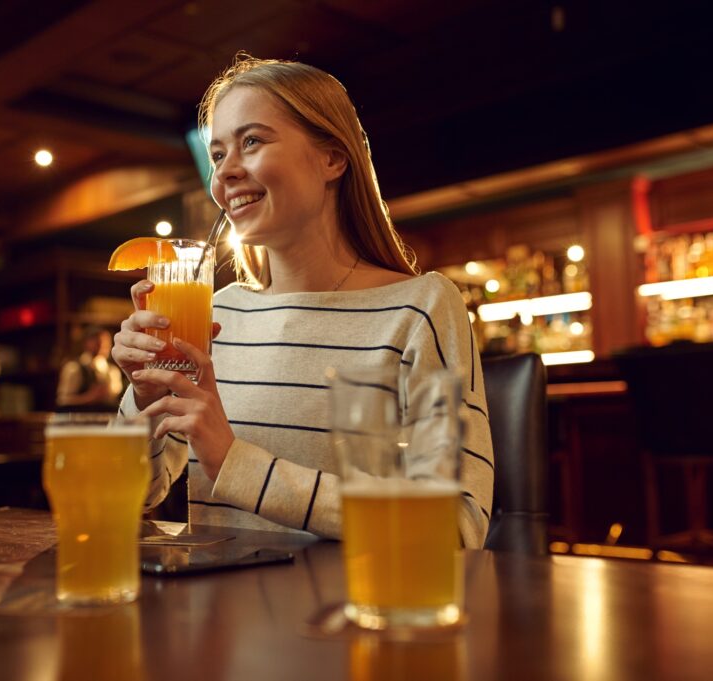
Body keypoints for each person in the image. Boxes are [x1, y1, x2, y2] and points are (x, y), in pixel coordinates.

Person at [112, 55, 494, 547]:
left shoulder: (420, 308)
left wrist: (236, 464)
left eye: (251, 142)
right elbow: (127, 498)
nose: (225, 173)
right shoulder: (212, 315)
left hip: (358, 614)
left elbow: (458, 525)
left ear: (332, 158)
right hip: (215, 620)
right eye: (217, 154)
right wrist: (144, 401)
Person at [57, 326, 122, 411]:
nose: (103, 346)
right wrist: (88, 398)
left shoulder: (113, 371)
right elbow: (63, 401)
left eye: (106, 343)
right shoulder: (74, 368)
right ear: (86, 343)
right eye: (98, 342)